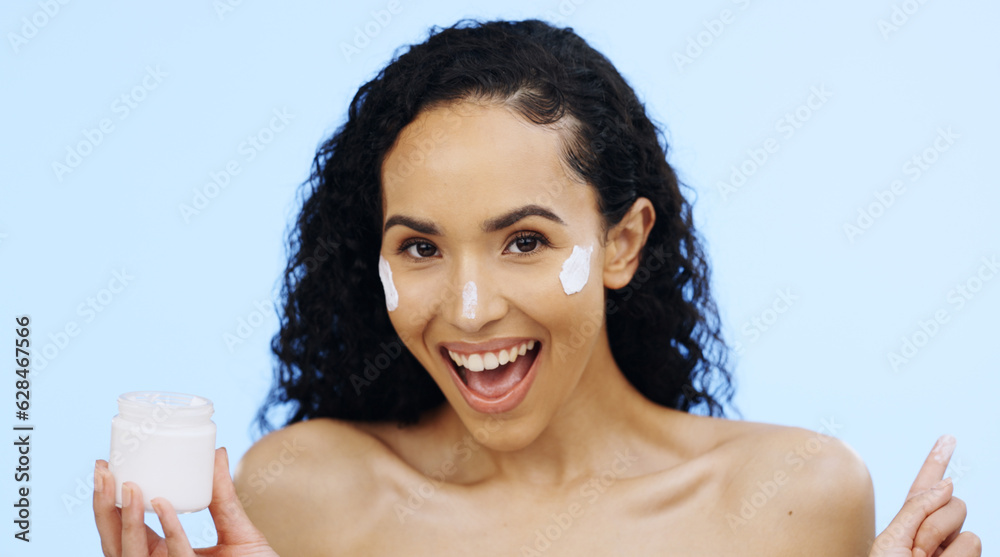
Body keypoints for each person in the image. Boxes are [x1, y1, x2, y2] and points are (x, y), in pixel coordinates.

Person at [93, 18, 981, 556]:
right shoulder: (304, 491)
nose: (470, 308)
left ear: (623, 242)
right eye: (420, 248)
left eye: (523, 240)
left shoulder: (790, 497)